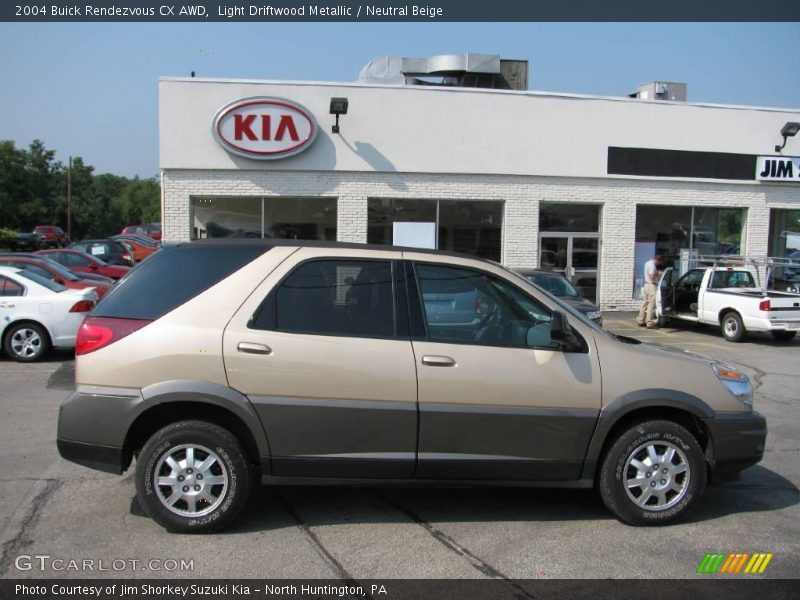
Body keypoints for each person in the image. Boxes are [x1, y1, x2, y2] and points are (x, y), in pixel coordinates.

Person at [637, 254, 663, 328]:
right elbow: (652, 277)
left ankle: (640, 320)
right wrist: (658, 273)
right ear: (657, 260)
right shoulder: (652, 266)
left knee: (644, 303)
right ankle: (649, 323)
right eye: (659, 263)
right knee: (651, 305)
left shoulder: (647, 263)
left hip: (646, 285)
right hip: (652, 285)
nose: (659, 264)